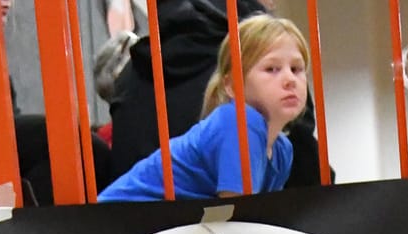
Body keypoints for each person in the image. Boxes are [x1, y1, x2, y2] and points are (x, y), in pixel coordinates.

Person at [98, 14, 308, 202]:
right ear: (232, 86)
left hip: (153, 229)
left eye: (297, 69)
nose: (290, 79)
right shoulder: (241, 123)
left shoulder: (282, 149)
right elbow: (241, 220)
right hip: (117, 226)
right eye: (272, 69)